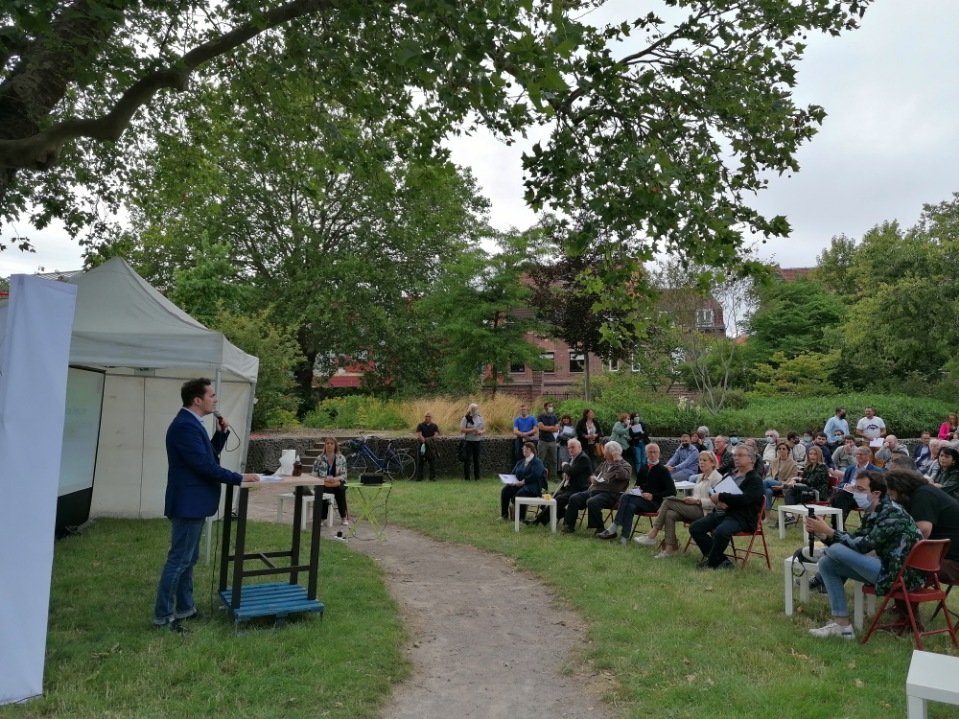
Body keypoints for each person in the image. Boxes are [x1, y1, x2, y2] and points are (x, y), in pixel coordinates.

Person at [154, 378, 259, 633]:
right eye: (212, 395)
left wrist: (221, 434)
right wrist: (238, 477)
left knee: (189, 559)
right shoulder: (184, 426)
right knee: (179, 560)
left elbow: (207, 456)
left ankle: (185, 608)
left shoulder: (192, 423)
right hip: (188, 503)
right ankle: (163, 617)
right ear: (197, 400)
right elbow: (204, 466)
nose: (216, 399)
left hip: (194, 502)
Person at [805, 471, 923, 639]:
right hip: (887, 568)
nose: (855, 493)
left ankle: (818, 556)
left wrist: (829, 531)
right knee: (826, 563)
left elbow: (863, 546)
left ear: (876, 493)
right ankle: (842, 626)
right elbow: (854, 540)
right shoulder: (873, 511)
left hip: (899, 576)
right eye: (855, 488)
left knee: (835, 551)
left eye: (860, 489)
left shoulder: (892, 514)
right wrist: (822, 534)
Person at [688, 444, 764, 570]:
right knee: (695, 528)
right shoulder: (731, 474)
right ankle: (722, 560)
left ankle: (712, 561)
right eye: (735, 455)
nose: (736, 458)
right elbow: (713, 490)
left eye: (740, 455)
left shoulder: (755, 480)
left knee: (721, 531)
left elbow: (746, 499)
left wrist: (721, 497)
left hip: (741, 517)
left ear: (751, 459)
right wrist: (716, 500)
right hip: (722, 513)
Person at [635, 450, 722, 557]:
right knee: (669, 514)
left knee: (668, 501)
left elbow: (716, 502)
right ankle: (668, 550)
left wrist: (697, 501)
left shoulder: (717, 478)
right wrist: (690, 499)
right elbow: (697, 495)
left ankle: (653, 533)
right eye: (700, 460)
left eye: (705, 460)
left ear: (713, 463)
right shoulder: (700, 476)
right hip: (693, 507)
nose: (701, 462)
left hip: (706, 512)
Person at [885, 469, 959, 585]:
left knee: (892, 564)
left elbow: (923, 530)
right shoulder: (926, 492)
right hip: (945, 557)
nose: (892, 498)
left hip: (950, 562)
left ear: (899, 488)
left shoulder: (922, 496)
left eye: (891, 494)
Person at [596, 443, 676, 543]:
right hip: (640, 500)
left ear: (659, 454)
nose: (652, 455)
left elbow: (672, 492)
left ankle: (614, 526)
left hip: (655, 503)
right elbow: (639, 484)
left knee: (625, 497)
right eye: (650, 452)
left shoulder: (663, 471)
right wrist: (637, 488)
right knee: (629, 506)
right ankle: (624, 538)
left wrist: (653, 496)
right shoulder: (643, 468)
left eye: (655, 452)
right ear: (645, 454)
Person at [561, 442, 630, 534]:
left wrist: (617, 461)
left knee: (592, 501)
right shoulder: (605, 464)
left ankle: (600, 528)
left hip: (611, 494)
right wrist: (593, 478)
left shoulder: (625, 466)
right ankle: (569, 525)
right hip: (595, 490)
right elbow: (595, 474)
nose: (603, 452)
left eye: (605, 450)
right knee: (574, 497)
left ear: (612, 453)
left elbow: (622, 476)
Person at [528, 438, 592, 527]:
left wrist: (565, 465)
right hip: (568, 488)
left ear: (579, 447)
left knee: (557, 499)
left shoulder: (583, 458)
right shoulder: (573, 458)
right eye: (569, 448)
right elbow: (569, 472)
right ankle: (561, 514)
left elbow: (571, 471)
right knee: (547, 496)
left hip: (578, 490)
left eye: (573, 447)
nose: (570, 449)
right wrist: (565, 473)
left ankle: (538, 520)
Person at [830, 446, 881, 523]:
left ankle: (837, 525)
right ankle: (838, 525)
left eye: (861, 454)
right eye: (857, 454)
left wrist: (859, 488)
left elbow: (878, 487)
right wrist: (845, 486)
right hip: (849, 495)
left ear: (868, 456)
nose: (858, 456)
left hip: (865, 497)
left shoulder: (875, 470)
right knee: (839, 496)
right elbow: (842, 483)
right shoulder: (850, 468)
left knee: (839, 497)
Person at [500, 441, 546, 521]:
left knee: (521, 493)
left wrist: (523, 482)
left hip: (533, 486)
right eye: (523, 448)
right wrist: (511, 481)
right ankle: (504, 515)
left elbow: (535, 475)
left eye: (526, 448)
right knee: (505, 490)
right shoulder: (520, 462)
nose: (524, 450)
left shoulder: (538, 462)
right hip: (518, 486)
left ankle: (520, 519)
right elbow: (513, 474)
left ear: (532, 450)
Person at [314, 436, 349, 524]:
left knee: (340, 490)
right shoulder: (319, 459)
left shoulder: (341, 458)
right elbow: (314, 475)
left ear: (335, 446)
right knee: (325, 490)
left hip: (337, 482)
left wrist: (335, 479)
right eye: (327, 443)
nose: (329, 445)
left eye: (331, 443)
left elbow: (344, 475)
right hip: (323, 482)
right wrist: (324, 479)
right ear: (325, 445)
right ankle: (322, 517)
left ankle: (343, 516)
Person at [763, 441, 799, 512]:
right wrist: (771, 482)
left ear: (788, 451)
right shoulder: (774, 461)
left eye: (783, 449)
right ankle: (766, 515)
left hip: (783, 486)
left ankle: (756, 506)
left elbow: (792, 479)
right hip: (771, 485)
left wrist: (782, 485)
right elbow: (769, 474)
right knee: (767, 491)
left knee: (763, 483)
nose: (781, 450)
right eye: (779, 449)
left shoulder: (793, 464)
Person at [460, 403, 486, 481]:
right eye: (475, 409)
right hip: (469, 442)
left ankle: (477, 477)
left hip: (477, 441)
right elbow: (462, 430)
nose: (477, 410)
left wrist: (481, 432)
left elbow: (484, 428)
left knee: (476, 460)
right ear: (471, 410)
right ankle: (467, 477)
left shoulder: (480, 418)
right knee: (468, 460)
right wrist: (472, 430)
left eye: (477, 409)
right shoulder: (466, 418)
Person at [536, 401, 559, 481]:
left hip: (552, 441)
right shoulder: (540, 417)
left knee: (553, 460)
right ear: (545, 407)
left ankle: (553, 476)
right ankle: (540, 476)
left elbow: (556, 429)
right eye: (549, 406)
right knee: (541, 460)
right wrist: (551, 428)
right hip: (543, 441)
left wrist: (547, 428)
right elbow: (541, 427)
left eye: (552, 406)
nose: (551, 407)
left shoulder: (554, 417)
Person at [415, 412, 441, 481]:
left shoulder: (434, 426)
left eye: (428, 416)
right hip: (422, 446)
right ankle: (419, 478)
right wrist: (425, 441)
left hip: (431, 447)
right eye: (426, 416)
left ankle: (432, 478)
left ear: (431, 417)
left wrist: (428, 441)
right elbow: (419, 435)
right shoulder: (420, 425)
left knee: (432, 462)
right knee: (420, 462)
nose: (427, 418)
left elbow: (436, 435)